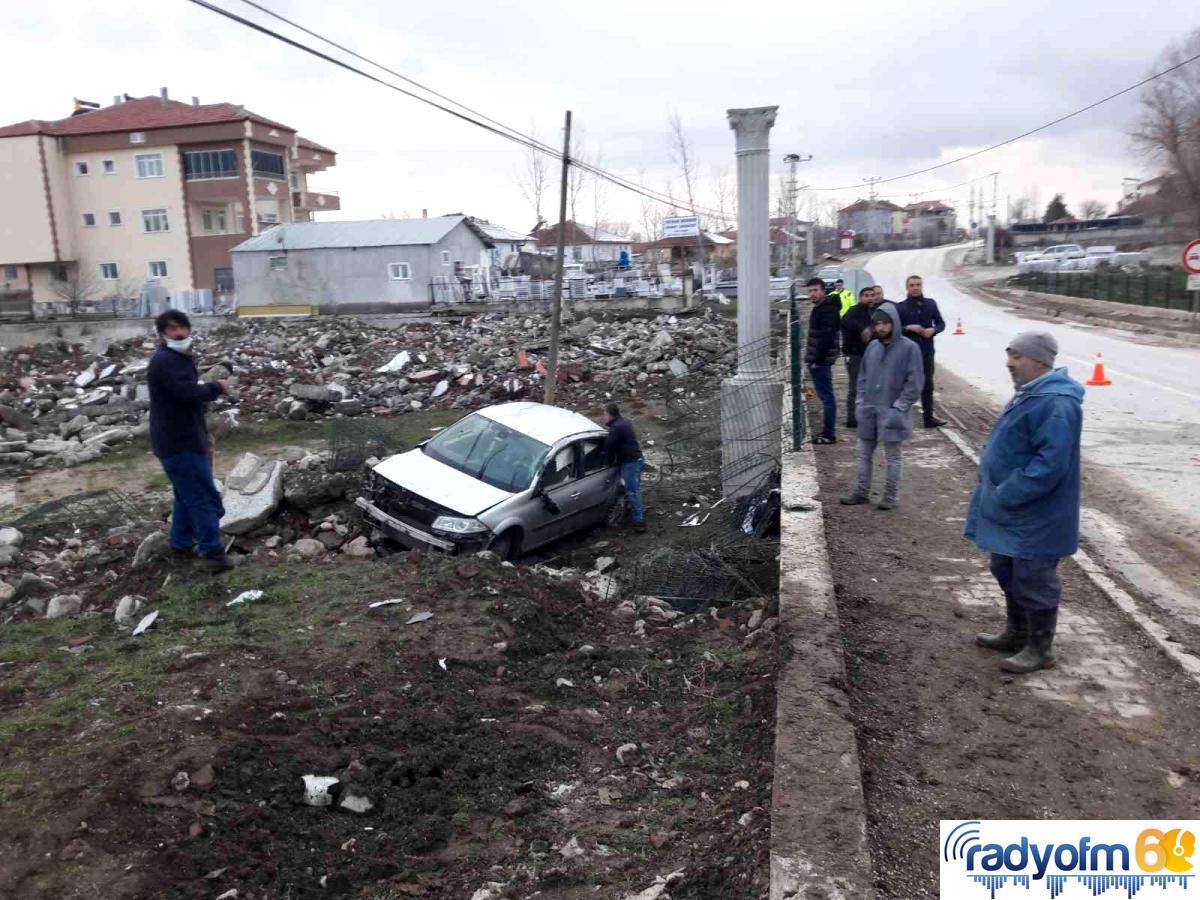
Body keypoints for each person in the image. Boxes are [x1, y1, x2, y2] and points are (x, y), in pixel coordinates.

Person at [966, 332, 1083, 674]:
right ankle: (1017, 633)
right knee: (1005, 569)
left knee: (1034, 579)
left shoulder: (1056, 404)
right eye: (1009, 354)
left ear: (1040, 360)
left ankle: (1041, 649)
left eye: (1017, 356)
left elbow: (1050, 465)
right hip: (1014, 512)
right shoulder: (1030, 395)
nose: (1009, 362)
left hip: (1037, 513)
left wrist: (1007, 491)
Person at [148, 310, 232, 573]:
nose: (180, 333)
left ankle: (180, 543)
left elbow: (186, 404)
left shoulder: (178, 358)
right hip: (179, 443)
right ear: (163, 333)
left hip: (184, 438)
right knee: (203, 497)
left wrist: (203, 434)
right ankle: (212, 553)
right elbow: (186, 393)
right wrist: (216, 388)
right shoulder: (166, 361)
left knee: (186, 495)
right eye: (173, 329)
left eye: (183, 327)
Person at [839, 302, 924, 511]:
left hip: (892, 411)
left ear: (894, 323)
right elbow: (862, 376)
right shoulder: (873, 347)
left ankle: (890, 497)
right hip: (869, 409)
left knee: (892, 457)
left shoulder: (909, 348)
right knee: (863, 453)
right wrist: (860, 402)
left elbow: (915, 383)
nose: (881, 328)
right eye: (878, 324)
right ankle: (860, 492)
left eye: (885, 323)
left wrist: (899, 407)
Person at [896, 275, 948, 428]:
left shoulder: (930, 304)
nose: (915, 287)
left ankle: (928, 418)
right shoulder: (900, 307)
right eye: (912, 285)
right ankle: (900, 418)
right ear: (907, 287)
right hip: (907, 352)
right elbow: (894, 329)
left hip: (926, 351)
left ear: (922, 286)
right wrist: (909, 328)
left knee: (927, 385)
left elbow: (941, 323)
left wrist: (934, 330)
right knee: (904, 385)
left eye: (918, 284)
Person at [804, 277, 842, 444]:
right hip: (820, 359)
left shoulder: (826, 310)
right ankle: (828, 432)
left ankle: (829, 434)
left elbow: (826, 337)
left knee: (827, 397)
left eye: (815, 290)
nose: (813, 294)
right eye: (810, 291)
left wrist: (816, 360)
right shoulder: (823, 307)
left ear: (823, 290)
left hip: (821, 361)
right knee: (826, 395)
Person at [840, 285, 883, 429]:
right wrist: (862, 329)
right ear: (861, 298)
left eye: (872, 295)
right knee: (856, 387)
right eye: (867, 295)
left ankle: (868, 416)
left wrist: (871, 330)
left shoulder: (875, 312)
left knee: (871, 388)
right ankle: (852, 419)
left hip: (871, 355)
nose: (870, 298)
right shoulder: (854, 310)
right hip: (855, 355)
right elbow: (845, 321)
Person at [603, 402, 646, 533]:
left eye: (604, 414)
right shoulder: (623, 422)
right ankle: (631, 514)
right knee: (633, 490)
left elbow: (608, 446)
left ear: (609, 414)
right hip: (635, 460)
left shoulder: (616, 427)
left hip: (630, 463)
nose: (603, 416)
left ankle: (639, 522)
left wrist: (601, 454)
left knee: (633, 492)